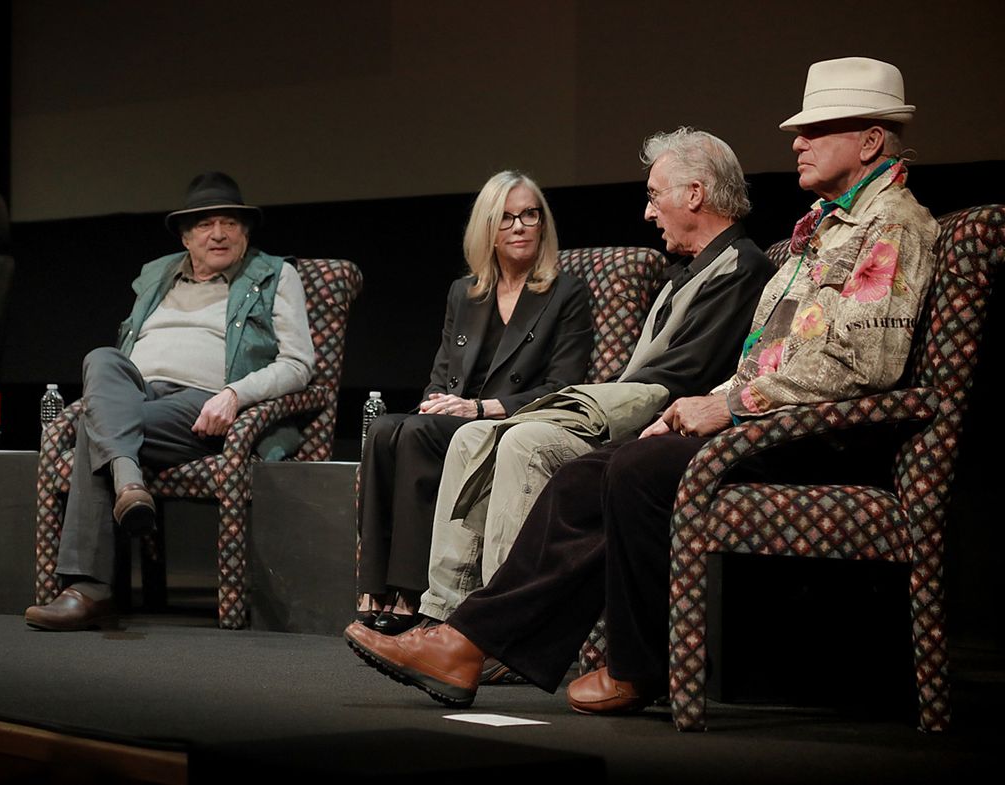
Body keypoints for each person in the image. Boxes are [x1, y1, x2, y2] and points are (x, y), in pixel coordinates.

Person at [345, 56, 940, 712]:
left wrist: (730, 405)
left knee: (632, 473)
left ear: (870, 141)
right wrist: (707, 406)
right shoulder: (822, 232)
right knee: (588, 474)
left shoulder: (894, 225)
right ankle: (467, 643)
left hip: (821, 435)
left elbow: (864, 364)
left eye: (817, 129)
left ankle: (631, 665)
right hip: (769, 419)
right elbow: (771, 356)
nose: (796, 141)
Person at [418, 130, 774, 641]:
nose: (648, 213)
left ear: (694, 195)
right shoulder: (685, 272)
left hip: (659, 427)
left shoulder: (741, 267)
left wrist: (579, 405)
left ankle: (502, 635)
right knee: (471, 437)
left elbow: (680, 380)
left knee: (522, 440)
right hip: (632, 410)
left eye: (654, 195)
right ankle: (445, 616)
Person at [25, 171, 315, 631]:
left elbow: (300, 364)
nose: (218, 234)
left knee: (92, 429)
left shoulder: (276, 275)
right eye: (205, 225)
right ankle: (128, 483)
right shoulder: (156, 275)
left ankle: (87, 588)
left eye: (230, 223)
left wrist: (235, 395)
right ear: (186, 236)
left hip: (202, 404)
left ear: (246, 232)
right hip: (137, 392)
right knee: (101, 358)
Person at [356, 171, 593, 634]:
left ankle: (409, 594)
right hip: (456, 418)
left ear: (543, 224)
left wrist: (481, 409)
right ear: (487, 229)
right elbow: (442, 375)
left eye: (529, 215)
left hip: (509, 421)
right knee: (387, 429)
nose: (520, 226)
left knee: (419, 434)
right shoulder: (464, 293)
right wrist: (433, 404)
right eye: (506, 218)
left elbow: (563, 387)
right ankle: (373, 589)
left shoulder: (566, 293)